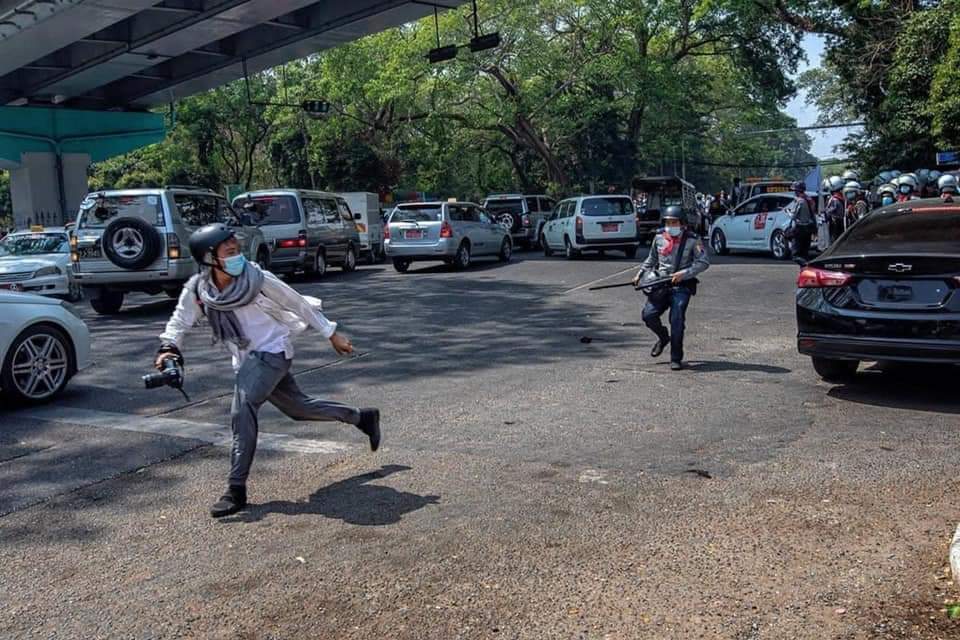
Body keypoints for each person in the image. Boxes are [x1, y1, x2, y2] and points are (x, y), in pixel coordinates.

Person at [155, 223, 382, 518]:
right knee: (299, 409)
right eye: (229, 251)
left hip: (273, 352)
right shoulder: (200, 290)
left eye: (237, 250)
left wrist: (331, 334)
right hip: (246, 361)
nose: (237, 254)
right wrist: (168, 347)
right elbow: (179, 321)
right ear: (210, 258)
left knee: (243, 408)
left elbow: (298, 304)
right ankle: (361, 417)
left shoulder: (258, 279)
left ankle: (235, 488)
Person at [632, 206, 710, 371]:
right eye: (668, 222)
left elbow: (703, 262)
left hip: (682, 285)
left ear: (682, 223)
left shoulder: (692, 240)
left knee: (677, 319)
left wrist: (685, 273)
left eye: (674, 222)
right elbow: (651, 259)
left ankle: (676, 357)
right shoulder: (659, 238)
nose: (671, 225)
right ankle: (663, 337)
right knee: (648, 315)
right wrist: (639, 274)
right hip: (660, 284)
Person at [787, 181, 816, 259]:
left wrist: (787, 212)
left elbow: (793, 216)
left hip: (800, 229)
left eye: (794, 191)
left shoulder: (799, 201)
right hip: (809, 228)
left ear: (797, 191)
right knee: (805, 253)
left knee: (795, 255)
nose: (794, 193)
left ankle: (806, 265)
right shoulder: (809, 199)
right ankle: (805, 269)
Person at [822, 175, 846, 245]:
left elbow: (829, 211)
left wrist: (824, 211)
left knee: (835, 242)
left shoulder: (834, 199)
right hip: (842, 222)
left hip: (835, 223)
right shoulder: (843, 196)